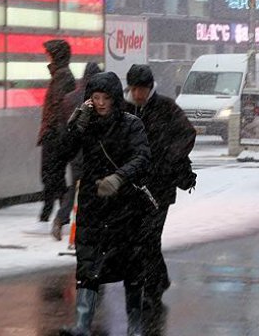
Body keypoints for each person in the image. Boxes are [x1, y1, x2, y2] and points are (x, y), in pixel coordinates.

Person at [60, 71, 152, 336]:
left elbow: (143, 157)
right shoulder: (86, 124)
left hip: (125, 205)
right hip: (92, 203)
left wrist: (119, 178)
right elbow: (63, 153)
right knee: (87, 261)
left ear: (114, 99)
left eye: (105, 98)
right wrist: (74, 126)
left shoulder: (131, 124)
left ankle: (135, 325)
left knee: (131, 264)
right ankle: (82, 323)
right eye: (95, 97)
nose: (100, 103)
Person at [124, 64, 197, 314]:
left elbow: (188, 133)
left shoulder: (166, 107)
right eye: (134, 89)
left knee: (149, 237)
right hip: (134, 187)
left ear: (150, 87)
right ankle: (160, 279)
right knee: (139, 239)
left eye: (142, 89)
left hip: (160, 187)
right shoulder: (124, 110)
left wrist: (167, 159)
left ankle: (152, 289)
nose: (139, 94)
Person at [26, 39, 77, 235]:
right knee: (53, 177)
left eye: (49, 53)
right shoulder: (60, 75)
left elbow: (58, 109)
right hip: (55, 134)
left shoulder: (62, 77)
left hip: (55, 135)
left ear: (56, 56)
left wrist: (52, 132)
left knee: (52, 176)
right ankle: (52, 215)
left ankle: (55, 215)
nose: (46, 56)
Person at [51, 62, 102, 241]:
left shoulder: (69, 97)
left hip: (75, 151)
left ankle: (61, 218)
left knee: (75, 187)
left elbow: (63, 124)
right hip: (92, 150)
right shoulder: (96, 99)